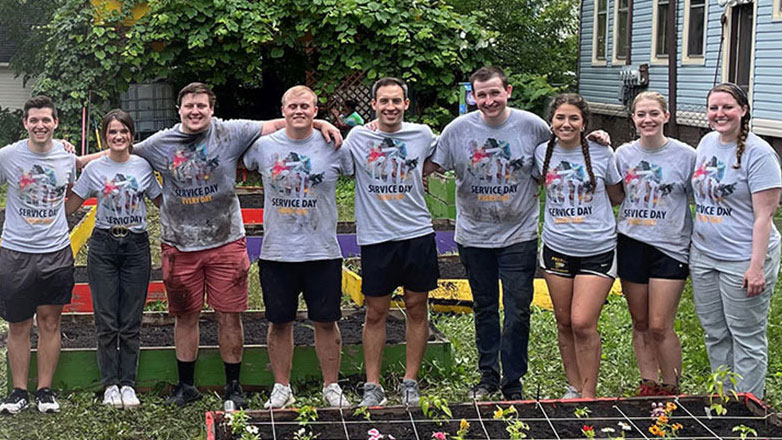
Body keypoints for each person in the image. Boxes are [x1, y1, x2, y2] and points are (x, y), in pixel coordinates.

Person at [78, 82, 342, 409]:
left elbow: (282, 121)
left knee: (229, 316)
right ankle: (185, 386)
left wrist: (319, 123)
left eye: (201, 106)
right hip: (180, 245)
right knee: (184, 316)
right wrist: (75, 162)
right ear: (179, 110)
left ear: (212, 108)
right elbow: (119, 152)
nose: (195, 111)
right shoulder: (162, 143)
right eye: (189, 106)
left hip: (226, 241)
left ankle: (233, 387)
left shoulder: (231, 132)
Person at [428, 67, 550, 401]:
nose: (488, 100)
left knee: (517, 310)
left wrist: (597, 139)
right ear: (473, 96)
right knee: (484, 308)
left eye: (494, 93)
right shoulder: (457, 130)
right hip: (474, 235)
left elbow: (566, 147)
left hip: (518, 234)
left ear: (508, 91)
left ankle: (513, 382)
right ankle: (487, 377)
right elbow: (427, 165)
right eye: (481, 95)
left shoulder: (533, 126)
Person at [242, 86, 353, 409]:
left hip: (322, 250)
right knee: (279, 322)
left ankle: (331, 386)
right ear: (283, 109)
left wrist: (324, 128)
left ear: (316, 110)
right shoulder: (263, 147)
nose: (299, 111)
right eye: (293, 106)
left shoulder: (334, 146)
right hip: (277, 250)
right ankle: (281, 386)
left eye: (306, 106)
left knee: (325, 320)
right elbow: (242, 149)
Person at [347, 77, 439, 407]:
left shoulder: (422, 134)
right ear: (373, 104)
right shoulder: (358, 137)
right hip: (376, 237)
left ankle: (410, 382)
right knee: (375, 312)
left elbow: (448, 152)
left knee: (417, 307)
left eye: (396, 101)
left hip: (416, 234)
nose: (390, 107)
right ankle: (372, 385)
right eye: (384, 101)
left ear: (406, 104)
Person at [65, 110, 162, 409]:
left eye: (124, 132)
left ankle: (128, 384)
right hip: (104, 246)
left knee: (130, 320)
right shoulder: (95, 169)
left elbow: (162, 201)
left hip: (135, 246)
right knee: (107, 320)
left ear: (132, 135)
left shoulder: (143, 166)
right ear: (105, 136)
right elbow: (70, 206)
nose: (118, 137)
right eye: (112, 132)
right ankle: (110, 384)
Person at [690, 83, 781, 399]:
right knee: (715, 334)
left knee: (746, 337)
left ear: (743, 110)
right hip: (704, 255)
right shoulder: (706, 143)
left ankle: (747, 407)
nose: (720, 114)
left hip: (743, 258)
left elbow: (764, 217)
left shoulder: (760, 153)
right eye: (713, 108)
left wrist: (756, 267)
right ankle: (722, 401)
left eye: (727, 107)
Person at [535, 93, 623, 399]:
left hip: (596, 249)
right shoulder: (541, 152)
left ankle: (589, 392)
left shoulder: (601, 153)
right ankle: (573, 387)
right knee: (563, 322)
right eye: (560, 117)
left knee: (582, 322)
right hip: (557, 249)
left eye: (574, 118)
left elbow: (616, 196)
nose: (566, 123)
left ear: (584, 123)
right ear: (551, 121)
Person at [0, 96, 77, 414]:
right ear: (25, 124)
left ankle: (45, 390)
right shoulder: (8, 156)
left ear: (56, 123)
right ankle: (18, 392)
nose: (40, 125)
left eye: (46, 120)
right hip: (16, 252)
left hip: (55, 252)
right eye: (34, 120)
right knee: (18, 325)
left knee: (49, 322)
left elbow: (73, 194)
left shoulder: (67, 156)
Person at [614, 92, 695, 396]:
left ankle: (672, 387)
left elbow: (702, 196)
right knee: (641, 321)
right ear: (633, 119)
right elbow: (614, 191)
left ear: (666, 116)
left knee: (661, 324)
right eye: (641, 114)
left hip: (670, 245)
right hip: (632, 241)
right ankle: (648, 383)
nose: (647, 120)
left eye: (653, 114)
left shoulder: (686, 155)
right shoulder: (622, 154)